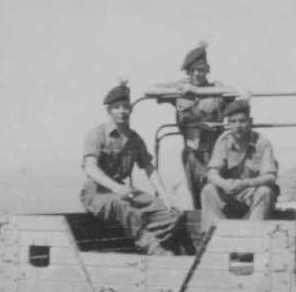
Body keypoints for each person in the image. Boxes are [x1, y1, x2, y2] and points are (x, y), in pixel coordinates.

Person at [80, 80, 182, 255]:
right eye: (117, 107)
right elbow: (90, 168)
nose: (122, 111)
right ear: (109, 111)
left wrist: (165, 197)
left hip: (123, 191)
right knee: (123, 206)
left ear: (131, 110)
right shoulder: (98, 134)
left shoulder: (135, 139)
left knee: (172, 213)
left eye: (126, 107)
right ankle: (153, 249)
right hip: (97, 194)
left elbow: (149, 168)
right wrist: (117, 188)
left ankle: (150, 242)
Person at [152, 42, 244, 209]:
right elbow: (151, 89)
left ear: (207, 70)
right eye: (193, 70)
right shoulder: (180, 92)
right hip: (191, 154)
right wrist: (179, 85)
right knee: (196, 197)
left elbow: (237, 93)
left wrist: (198, 92)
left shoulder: (216, 90)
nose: (197, 73)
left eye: (201, 69)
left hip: (214, 153)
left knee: (215, 194)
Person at [200, 99, 278, 232]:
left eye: (242, 121)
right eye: (233, 122)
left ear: (250, 122)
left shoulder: (262, 143)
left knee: (265, 191)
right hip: (231, 196)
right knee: (208, 190)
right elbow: (212, 173)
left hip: (252, 195)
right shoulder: (223, 141)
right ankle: (214, 238)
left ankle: (251, 240)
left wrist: (246, 183)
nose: (238, 126)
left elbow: (270, 176)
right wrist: (224, 184)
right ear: (228, 124)